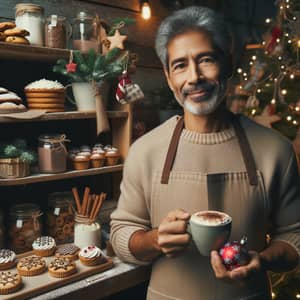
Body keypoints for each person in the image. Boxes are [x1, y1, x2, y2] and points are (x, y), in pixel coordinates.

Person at [110, 6, 300, 300]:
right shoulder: (144, 151)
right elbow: (122, 234)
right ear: (168, 75)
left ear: (228, 63)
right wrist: (154, 240)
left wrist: (262, 260)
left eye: (206, 60)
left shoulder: (275, 150)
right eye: (180, 65)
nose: (194, 77)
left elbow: (294, 237)